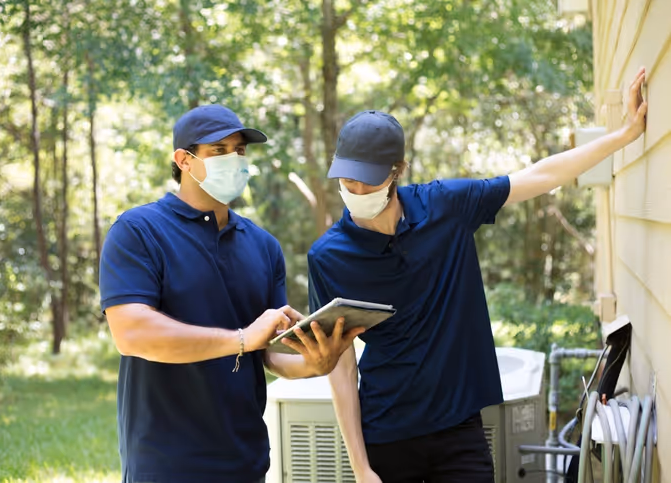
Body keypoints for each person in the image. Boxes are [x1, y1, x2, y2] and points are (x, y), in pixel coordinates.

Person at [309, 67, 648, 482]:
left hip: (459, 431)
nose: (355, 190)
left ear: (397, 171)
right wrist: (361, 469)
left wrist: (624, 136)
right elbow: (341, 368)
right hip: (385, 437)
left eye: (366, 180)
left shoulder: (446, 207)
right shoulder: (327, 257)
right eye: (346, 179)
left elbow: (538, 176)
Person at [99, 104, 364, 483]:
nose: (234, 160)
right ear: (184, 161)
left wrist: (314, 365)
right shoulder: (138, 231)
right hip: (165, 463)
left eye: (239, 150)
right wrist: (240, 339)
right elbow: (132, 334)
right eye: (218, 151)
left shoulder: (263, 245)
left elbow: (269, 353)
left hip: (247, 463)